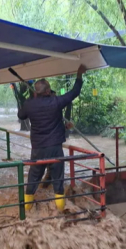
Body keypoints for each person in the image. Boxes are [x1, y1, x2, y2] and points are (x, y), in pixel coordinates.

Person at [18, 65, 86, 212]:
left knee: (33, 178)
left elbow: (21, 115)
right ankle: (60, 211)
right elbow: (74, 92)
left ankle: (26, 210)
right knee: (58, 180)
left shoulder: (30, 104)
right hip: (55, 148)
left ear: (36, 92)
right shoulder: (56, 102)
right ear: (48, 91)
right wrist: (79, 74)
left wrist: (27, 100)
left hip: (37, 149)